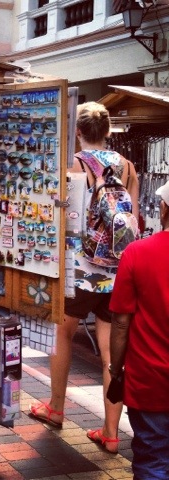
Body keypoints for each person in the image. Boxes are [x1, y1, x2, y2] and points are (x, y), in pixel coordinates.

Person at [29, 102, 139, 454]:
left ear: (77, 131)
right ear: (107, 131)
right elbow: (132, 222)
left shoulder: (72, 166)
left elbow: (63, 219)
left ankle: (56, 408)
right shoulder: (128, 167)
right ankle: (111, 432)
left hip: (80, 271)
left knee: (62, 334)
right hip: (118, 273)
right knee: (111, 350)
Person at [109, 179, 169, 479]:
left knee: (152, 461)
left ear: (164, 207)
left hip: (149, 379)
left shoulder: (137, 252)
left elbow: (121, 322)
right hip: (150, 381)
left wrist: (116, 369)